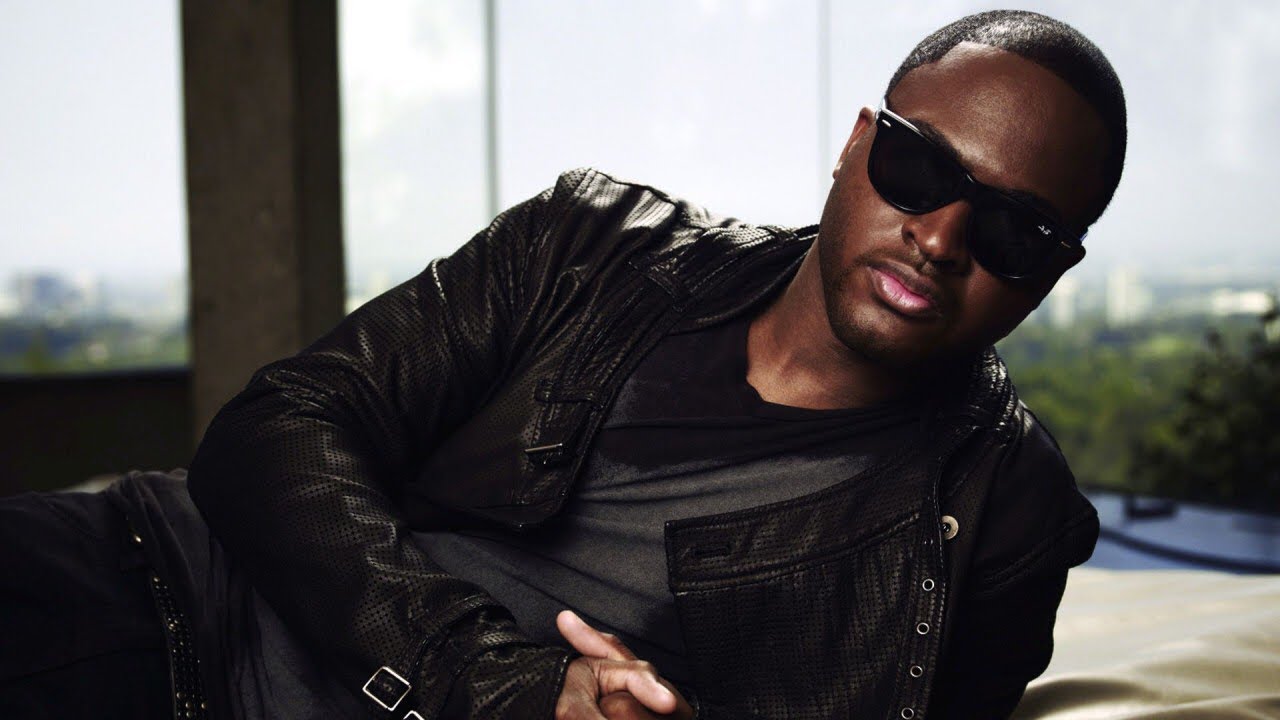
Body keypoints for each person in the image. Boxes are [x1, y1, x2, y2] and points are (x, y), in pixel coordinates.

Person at [0, 9, 1123, 719]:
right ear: (856, 144)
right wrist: (495, 687)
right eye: (919, 168)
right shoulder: (594, 246)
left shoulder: (1005, 518)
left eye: (1015, 231)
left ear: (1053, 272)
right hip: (165, 589)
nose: (940, 238)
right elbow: (272, 430)